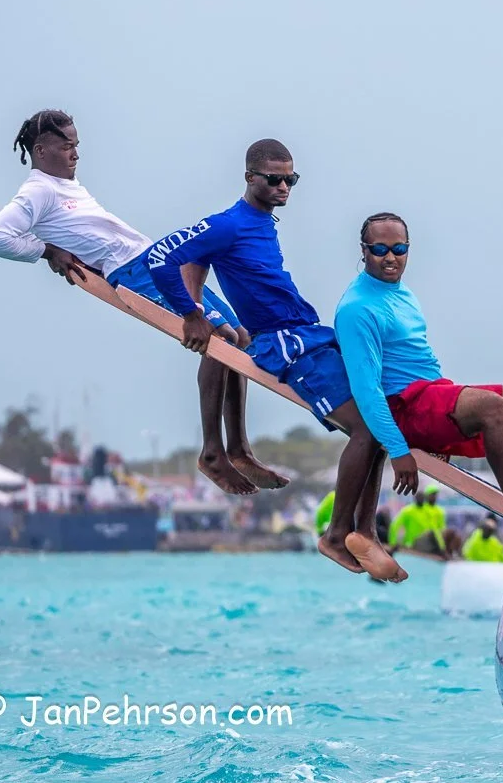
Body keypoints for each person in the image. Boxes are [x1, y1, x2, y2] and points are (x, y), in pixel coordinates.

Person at [0, 109, 284, 497]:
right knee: (218, 338)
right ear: (41, 150)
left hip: (152, 257)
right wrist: (47, 251)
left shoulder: (68, 185)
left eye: (77, 145)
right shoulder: (37, 191)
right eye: (66, 146)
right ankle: (212, 453)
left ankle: (238, 448)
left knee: (238, 336)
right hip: (135, 273)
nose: (75, 154)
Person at [144, 139, 403, 583]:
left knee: (384, 418)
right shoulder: (229, 223)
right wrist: (192, 314)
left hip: (310, 332)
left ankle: (364, 532)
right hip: (285, 344)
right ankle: (336, 535)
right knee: (367, 427)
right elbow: (161, 257)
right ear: (250, 178)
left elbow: (199, 264)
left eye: (291, 179)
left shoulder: (262, 221)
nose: (284, 187)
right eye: (274, 179)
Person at [332, 211, 503, 544]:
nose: (391, 258)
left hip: (432, 395)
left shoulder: (403, 294)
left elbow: (421, 362)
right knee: (491, 407)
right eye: (380, 249)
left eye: (399, 250)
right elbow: (366, 390)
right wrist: (399, 450)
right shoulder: (357, 308)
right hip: (405, 407)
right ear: (363, 250)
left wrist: (446, 421)